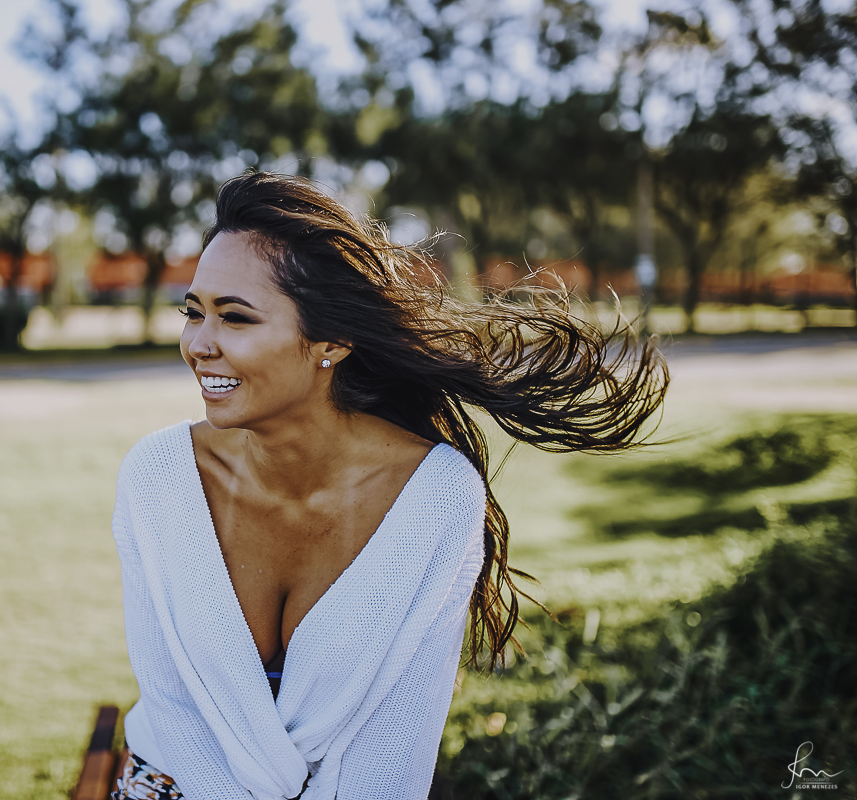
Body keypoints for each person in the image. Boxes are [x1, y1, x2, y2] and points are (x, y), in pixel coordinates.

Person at [110, 171, 668, 800]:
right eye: (193, 313)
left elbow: (395, 746)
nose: (199, 345)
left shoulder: (433, 498)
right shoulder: (159, 477)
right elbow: (176, 711)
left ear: (332, 341)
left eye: (235, 319)